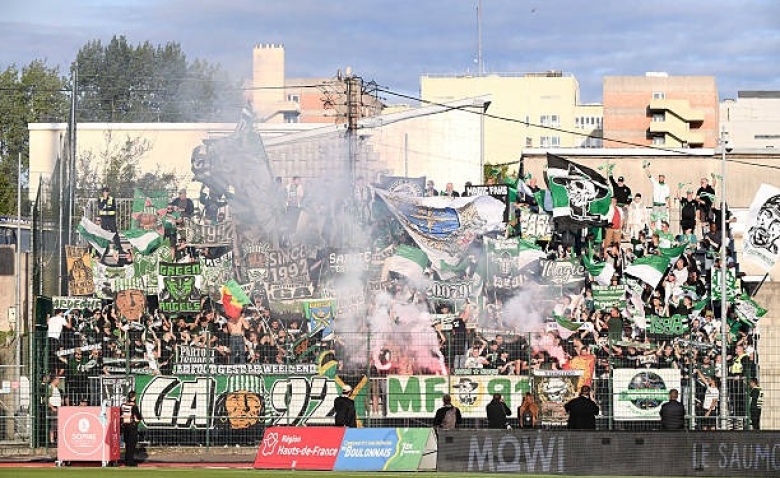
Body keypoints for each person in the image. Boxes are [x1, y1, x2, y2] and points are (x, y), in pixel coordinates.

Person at [121, 391, 143, 467]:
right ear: (133, 397)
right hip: (132, 426)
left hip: (125, 426)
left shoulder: (123, 405)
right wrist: (138, 420)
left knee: (127, 445)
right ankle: (130, 462)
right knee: (132, 445)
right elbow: (139, 416)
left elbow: (121, 414)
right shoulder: (134, 406)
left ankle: (126, 461)